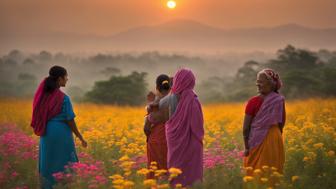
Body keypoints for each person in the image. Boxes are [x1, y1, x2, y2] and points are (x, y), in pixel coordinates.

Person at [31, 65, 87, 189]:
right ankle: (63, 185)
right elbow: (70, 120)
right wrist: (80, 136)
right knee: (64, 162)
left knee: (48, 162)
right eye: (66, 76)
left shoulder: (43, 96)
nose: (67, 79)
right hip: (61, 134)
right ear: (60, 79)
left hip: (47, 134)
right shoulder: (64, 98)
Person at [151, 68, 204, 187]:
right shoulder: (194, 100)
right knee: (191, 172)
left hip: (173, 142)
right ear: (191, 82)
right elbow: (198, 127)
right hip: (192, 142)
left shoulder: (169, 99)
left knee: (175, 168)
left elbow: (153, 112)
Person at [243, 68, 286, 176]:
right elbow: (281, 123)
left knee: (255, 172)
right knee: (272, 171)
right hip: (275, 137)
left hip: (258, 138)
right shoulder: (279, 100)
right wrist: (277, 136)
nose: (257, 84)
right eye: (257, 81)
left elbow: (245, 128)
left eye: (261, 81)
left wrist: (247, 147)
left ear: (270, 84)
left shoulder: (253, 102)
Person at [144, 74, 171, 178]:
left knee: (154, 172)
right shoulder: (175, 101)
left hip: (155, 140)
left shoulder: (154, 103)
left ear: (157, 87)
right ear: (169, 87)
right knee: (169, 170)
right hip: (171, 139)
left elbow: (146, 128)